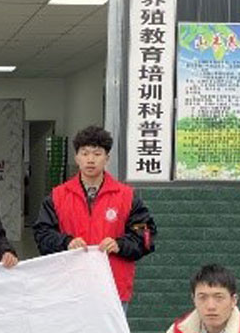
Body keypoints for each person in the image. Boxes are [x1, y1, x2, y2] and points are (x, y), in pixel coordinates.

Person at [33, 125, 155, 312]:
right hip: (68, 289)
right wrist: (66, 242)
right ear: (76, 157)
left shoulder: (126, 196)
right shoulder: (58, 196)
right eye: (85, 153)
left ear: (107, 158)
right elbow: (42, 234)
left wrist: (120, 244)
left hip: (113, 289)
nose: (90, 159)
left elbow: (146, 236)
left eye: (97, 154)